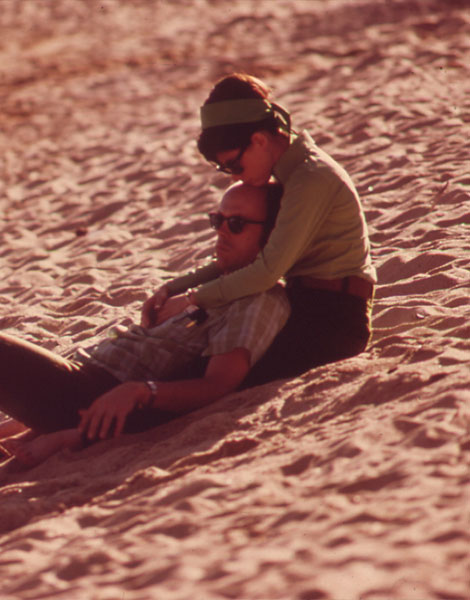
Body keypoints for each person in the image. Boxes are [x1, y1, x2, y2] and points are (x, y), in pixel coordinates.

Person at [0, 182, 289, 468]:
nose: (221, 232)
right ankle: (35, 427)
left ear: (272, 235)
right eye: (218, 220)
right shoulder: (220, 283)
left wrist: (141, 391)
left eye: (236, 224)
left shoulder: (258, 299)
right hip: (83, 379)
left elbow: (218, 385)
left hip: (93, 394)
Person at [141, 73, 377, 387]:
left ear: (260, 140)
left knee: (202, 376)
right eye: (224, 169)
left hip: (333, 322)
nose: (232, 177)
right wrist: (172, 288)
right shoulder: (288, 174)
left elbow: (266, 272)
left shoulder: (310, 178)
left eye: (234, 165)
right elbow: (249, 262)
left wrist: (191, 299)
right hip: (299, 305)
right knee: (188, 355)